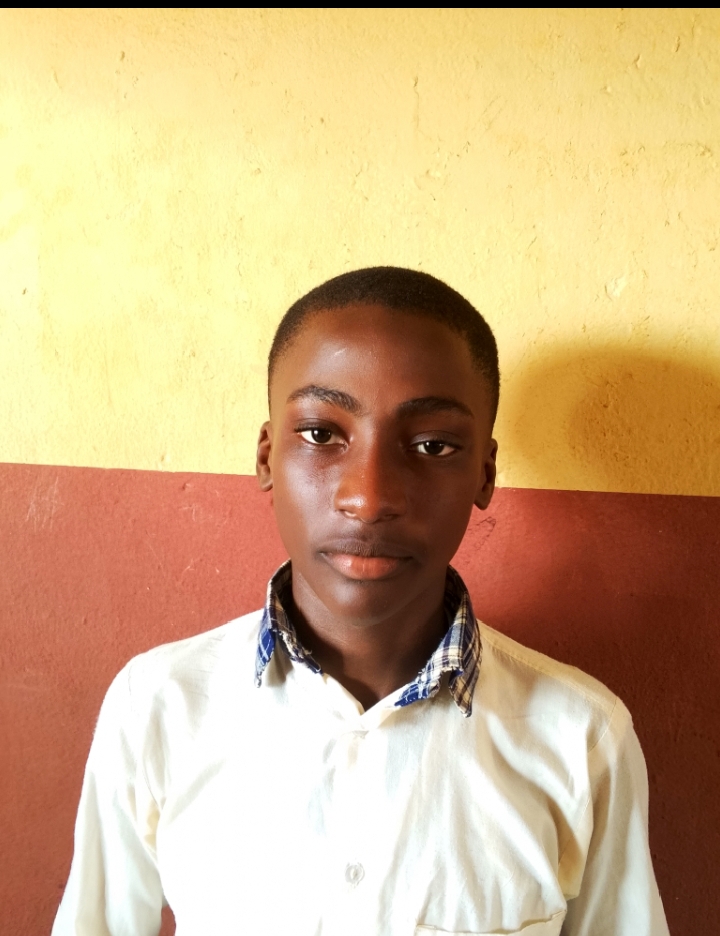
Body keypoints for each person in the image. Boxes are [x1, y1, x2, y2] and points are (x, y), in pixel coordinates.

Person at [53, 267, 670, 936]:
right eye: (322, 434)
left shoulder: (581, 739)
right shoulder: (158, 706)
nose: (369, 498)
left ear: (484, 474)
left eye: (432, 445)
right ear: (266, 456)